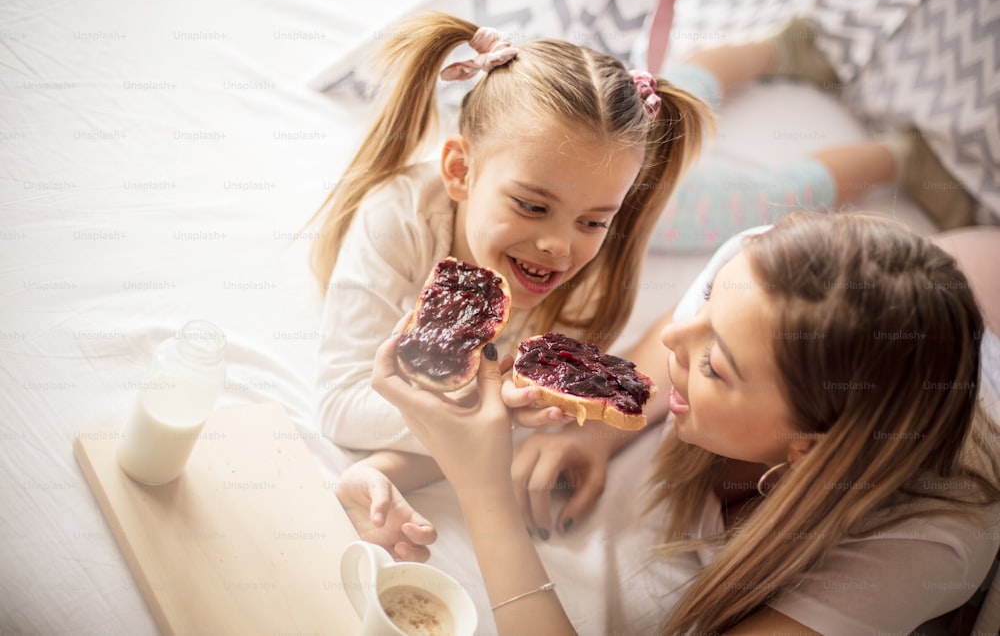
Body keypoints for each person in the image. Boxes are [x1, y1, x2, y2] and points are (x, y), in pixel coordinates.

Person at [354, 211, 1000, 634]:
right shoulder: (760, 268)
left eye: (715, 365)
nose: (675, 339)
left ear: (809, 446)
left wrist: (484, 494)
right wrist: (594, 431)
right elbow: (676, 332)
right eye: (713, 295)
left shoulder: (926, 542)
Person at [308, 10, 712, 548]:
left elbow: (465, 433)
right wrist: (494, 414)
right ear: (459, 171)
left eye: (593, 222)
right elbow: (340, 405)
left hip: (695, 205)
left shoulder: (585, 272)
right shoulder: (397, 220)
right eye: (531, 205)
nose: (559, 247)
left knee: (774, 184)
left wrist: (408, 457)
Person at [646, 18, 994, 253]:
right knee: (679, 92)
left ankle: (905, 158)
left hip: (638, 184)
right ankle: (780, 51)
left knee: (780, 196)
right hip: (616, 129)